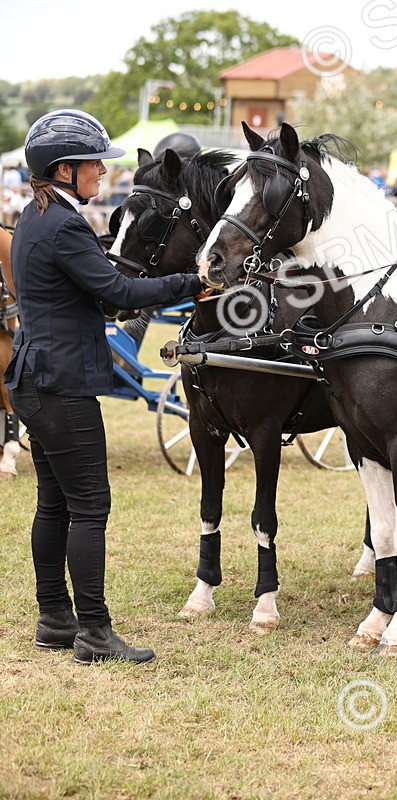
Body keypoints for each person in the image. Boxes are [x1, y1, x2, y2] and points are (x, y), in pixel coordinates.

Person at [5, 110, 205, 663]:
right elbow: (118, 292)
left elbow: (95, 282)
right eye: (94, 163)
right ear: (64, 169)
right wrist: (197, 280)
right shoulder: (64, 224)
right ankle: (93, 631)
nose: (102, 170)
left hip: (35, 379)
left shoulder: (34, 216)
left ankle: (54, 619)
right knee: (90, 506)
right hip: (61, 386)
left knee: (54, 504)